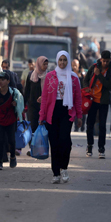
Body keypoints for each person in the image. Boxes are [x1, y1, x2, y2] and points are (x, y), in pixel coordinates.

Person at [39, 51, 82, 184]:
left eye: (65, 60)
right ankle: (56, 173)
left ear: (68, 61)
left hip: (67, 112)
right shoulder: (50, 76)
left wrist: (79, 116)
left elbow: (78, 99)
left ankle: (64, 168)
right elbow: (45, 98)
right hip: (52, 112)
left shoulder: (74, 78)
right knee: (54, 143)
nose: (62, 62)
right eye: (60, 60)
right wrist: (42, 116)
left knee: (65, 142)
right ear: (57, 61)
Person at [83, 50, 111, 158]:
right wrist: (87, 88)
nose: (105, 63)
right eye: (104, 61)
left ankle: (101, 148)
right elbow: (85, 79)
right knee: (89, 124)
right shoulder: (94, 67)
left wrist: (100, 75)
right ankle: (89, 146)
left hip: (103, 101)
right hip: (92, 100)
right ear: (101, 59)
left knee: (102, 125)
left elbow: (108, 85)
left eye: (107, 61)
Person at [0, 72, 19, 170]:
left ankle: (12, 157)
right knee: (1, 141)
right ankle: (0, 162)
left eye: (3, 79)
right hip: (0, 121)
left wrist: (16, 103)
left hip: (11, 121)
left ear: (8, 81)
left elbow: (20, 103)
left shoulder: (13, 93)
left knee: (11, 140)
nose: (0, 82)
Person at [24, 56, 48, 138]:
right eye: (43, 64)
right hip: (32, 106)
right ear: (39, 64)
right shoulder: (31, 75)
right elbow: (27, 90)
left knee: (43, 128)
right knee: (32, 127)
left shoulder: (48, 75)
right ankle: (32, 148)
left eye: (46, 64)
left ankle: (41, 148)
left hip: (45, 107)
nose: (45, 66)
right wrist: (23, 104)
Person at [72, 59, 86, 132]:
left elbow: (86, 84)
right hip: (73, 96)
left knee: (83, 111)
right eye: (73, 65)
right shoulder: (70, 74)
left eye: (76, 65)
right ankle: (76, 127)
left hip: (82, 96)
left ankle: (83, 125)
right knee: (75, 111)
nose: (74, 66)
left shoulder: (82, 74)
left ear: (78, 66)